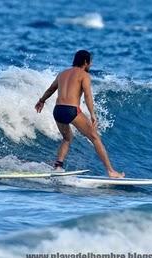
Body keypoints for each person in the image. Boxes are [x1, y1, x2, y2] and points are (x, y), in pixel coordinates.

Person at [35, 50, 124, 178]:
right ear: (85, 62)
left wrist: (41, 101)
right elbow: (88, 95)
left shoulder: (62, 74)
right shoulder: (84, 75)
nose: (91, 64)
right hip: (71, 110)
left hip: (58, 110)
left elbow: (50, 89)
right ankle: (111, 171)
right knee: (95, 138)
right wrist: (93, 114)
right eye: (90, 62)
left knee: (67, 138)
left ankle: (58, 166)